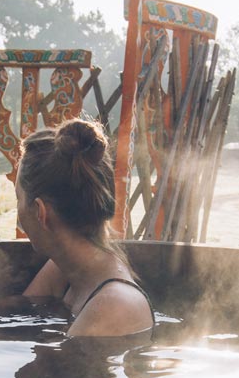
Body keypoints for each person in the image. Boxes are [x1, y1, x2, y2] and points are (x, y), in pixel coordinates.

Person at [16, 118, 155, 337]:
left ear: (40, 212)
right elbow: (22, 310)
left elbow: (56, 369)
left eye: (18, 200)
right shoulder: (66, 266)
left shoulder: (114, 306)